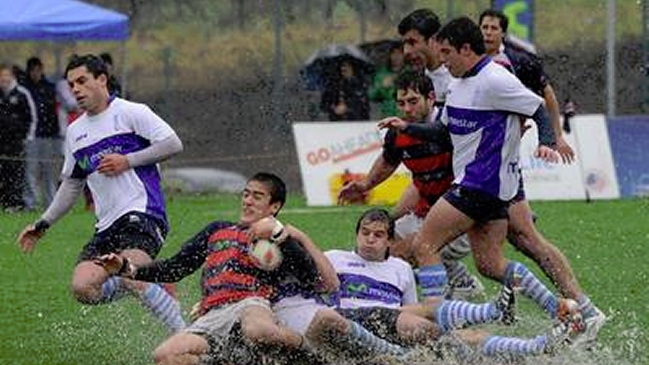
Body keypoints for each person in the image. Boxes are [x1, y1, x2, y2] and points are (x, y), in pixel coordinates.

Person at [96, 172, 342, 365]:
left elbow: (312, 278)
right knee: (165, 355)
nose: (247, 200)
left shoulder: (281, 239)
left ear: (274, 206)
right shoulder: (217, 230)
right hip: (211, 314)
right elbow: (175, 268)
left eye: (257, 196)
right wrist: (126, 267)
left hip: (250, 305)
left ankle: (311, 353)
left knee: (258, 330)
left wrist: (279, 235)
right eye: (245, 194)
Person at [17, 54, 185, 334]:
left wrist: (128, 160)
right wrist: (43, 223)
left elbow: (173, 144)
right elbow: (72, 184)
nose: (76, 90)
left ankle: (190, 339)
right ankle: (144, 280)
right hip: (106, 225)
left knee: (132, 274)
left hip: (142, 213)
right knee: (83, 288)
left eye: (82, 81)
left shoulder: (131, 112)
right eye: (71, 85)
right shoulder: (75, 132)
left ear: (102, 79)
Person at [408, 17, 563, 320]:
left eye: (447, 53)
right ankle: (559, 309)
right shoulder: (457, 84)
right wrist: (407, 127)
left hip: (478, 184)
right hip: (489, 191)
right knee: (490, 264)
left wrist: (547, 142)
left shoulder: (495, 78)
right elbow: (443, 133)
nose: (442, 61)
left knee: (424, 245)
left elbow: (538, 108)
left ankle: (434, 318)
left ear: (466, 50)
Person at [479, 9, 606, 345]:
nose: (488, 32)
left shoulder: (519, 64)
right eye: (484, 27)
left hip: (496, 166)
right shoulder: (472, 65)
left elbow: (543, 98)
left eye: (493, 28)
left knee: (503, 245)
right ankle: (576, 308)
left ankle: (570, 308)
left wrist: (556, 137)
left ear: (503, 33)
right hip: (488, 167)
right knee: (516, 241)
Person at [338, 69, 484, 300]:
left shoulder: (452, 121)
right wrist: (365, 185)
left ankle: (427, 307)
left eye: (413, 101)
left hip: (463, 215)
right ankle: (460, 282)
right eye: (401, 103)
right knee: (382, 240)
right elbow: (389, 161)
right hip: (424, 213)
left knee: (412, 250)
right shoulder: (398, 133)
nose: (406, 109)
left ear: (431, 98)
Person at [23, 57, 62, 210]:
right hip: (32, 135)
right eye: (32, 70)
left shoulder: (50, 88)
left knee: (49, 171)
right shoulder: (25, 88)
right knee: (30, 170)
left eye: (38, 70)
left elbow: (57, 111)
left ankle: (50, 203)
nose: (35, 73)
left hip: (50, 135)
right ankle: (30, 202)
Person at [0, 64, 37, 211]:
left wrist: (28, 137)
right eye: (1, 76)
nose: (4, 78)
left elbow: (32, 117)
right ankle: (6, 203)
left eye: (6, 75)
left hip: (17, 142)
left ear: (12, 76)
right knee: (3, 173)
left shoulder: (22, 93)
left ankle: (16, 203)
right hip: (1, 142)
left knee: (16, 172)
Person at [368, 43, 404, 118]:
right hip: (387, 114)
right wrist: (381, 86)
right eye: (393, 53)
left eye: (399, 53)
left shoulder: (409, 72)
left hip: (404, 115)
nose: (396, 57)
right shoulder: (381, 74)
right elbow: (371, 95)